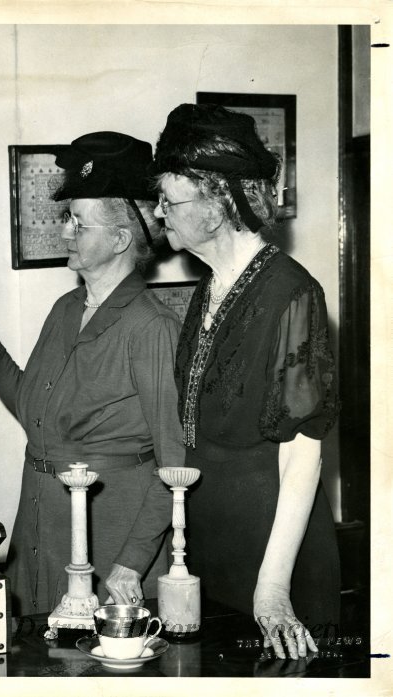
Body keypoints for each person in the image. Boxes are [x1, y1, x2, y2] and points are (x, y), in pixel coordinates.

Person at [0, 132, 184, 617]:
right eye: (67, 220)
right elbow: (36, 414)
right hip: (41, 525)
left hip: (109, 543)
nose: (65, 232)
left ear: (121, 238)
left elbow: (174, 464)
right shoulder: (65, 308)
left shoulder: (151, 327)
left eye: (78, 224)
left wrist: (132, 562)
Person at [151, 103, 341, 660]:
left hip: (273, 562)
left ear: (215, 206)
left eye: (170, 199)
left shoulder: (291, 292)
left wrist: (274, 589)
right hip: (210, 552)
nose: (159, 213)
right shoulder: (208, 289)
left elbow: (304, 452)